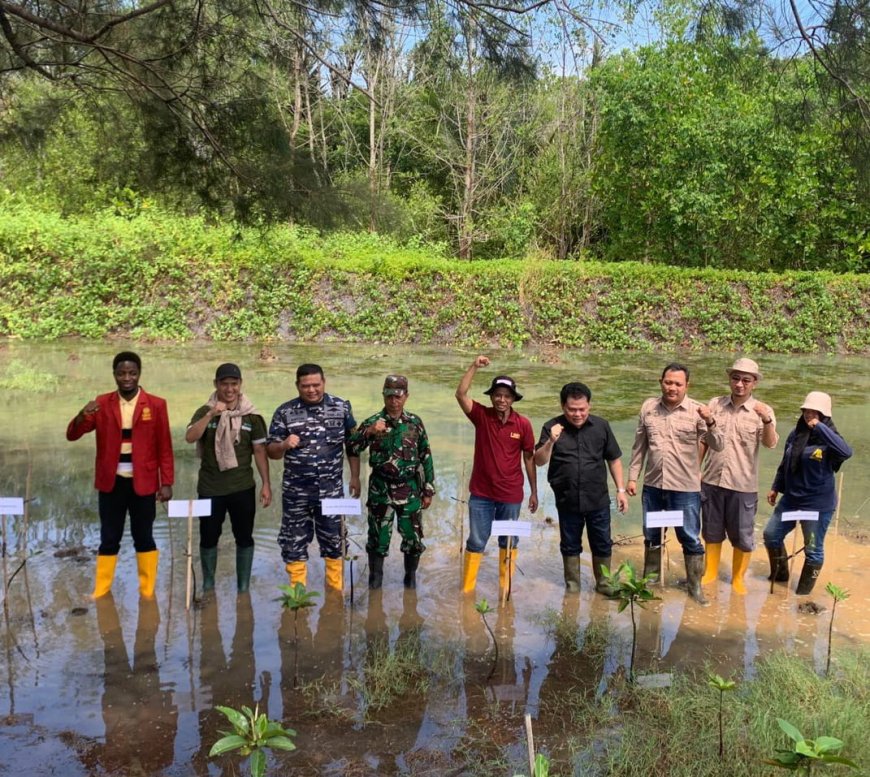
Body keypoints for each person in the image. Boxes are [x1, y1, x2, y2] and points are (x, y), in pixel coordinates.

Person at [66, 351, 174, 599]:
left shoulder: (156, 404)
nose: (127, 378)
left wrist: (166, 482)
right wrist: (83, 414)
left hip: (144, 484)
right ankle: (101, 589)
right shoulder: (102, 403)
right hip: (111, 483)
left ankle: (147, 591)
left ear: (139, 374)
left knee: (144, 537)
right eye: (122, 373)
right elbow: (72, 435)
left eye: (132, 373)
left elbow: (164, 447)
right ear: (114, 375)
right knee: (109, 537)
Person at [627, 362, 723, 604]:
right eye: (668, 382)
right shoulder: (649, 408)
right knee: (651, 534)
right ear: (661, 382)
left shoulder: (698, 411)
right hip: (653, 485)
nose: (672, 388)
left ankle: (694, 587)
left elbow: (718, 444)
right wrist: (632, 477)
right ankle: (651, 581)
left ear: (686, 386)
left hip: (685, 488)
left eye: (678, 384)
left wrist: (710, 421)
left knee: (690, 536)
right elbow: (639, 446)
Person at [267, 363, 360, 591]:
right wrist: (284, 444)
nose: (311, 390)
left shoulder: (341, 407)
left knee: (335, 541)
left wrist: (355, 477)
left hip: (331, 492)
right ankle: (297, 598)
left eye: (316, 385)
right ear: (297, 385)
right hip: (296, 494)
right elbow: (271, 451)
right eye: (305, 386)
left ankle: (335, 596)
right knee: (294, 542)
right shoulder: (285, 412)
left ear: (324, 382)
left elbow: (353, 445)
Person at [185, 363, 272, 594]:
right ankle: (208, 584)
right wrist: (212, 413)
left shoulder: (251, 416)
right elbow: (190, 437)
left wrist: (266, 485)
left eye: (234, 384)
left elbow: (260, 452)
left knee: (244, 537)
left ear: (240, 385)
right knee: (208, 537)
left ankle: (243, 588)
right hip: (210, 488)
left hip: (242, 487)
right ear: (216, 384)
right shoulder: (204, 410)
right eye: (224, 384)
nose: (229, 389)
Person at [534, 382, 628, 595]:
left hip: (598, 499)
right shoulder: (551, 427)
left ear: (589, 406)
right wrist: (551, 441)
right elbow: (538, 460)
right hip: (567, 499)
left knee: (602, 542)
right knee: (570, 544)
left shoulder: (601, 426)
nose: (577, 414)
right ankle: (573, 587)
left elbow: (614, 459)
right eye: (572, 409)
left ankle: (604, 584)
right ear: (562, 406)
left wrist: (620, 490)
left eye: (582, 409)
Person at [455, 355, 538, 593]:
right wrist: (473, 366)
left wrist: (533, 492)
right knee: (476, 541)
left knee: (509, 541)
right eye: (497, 395)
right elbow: (460, 395)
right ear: (491, 397)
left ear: (513, 399)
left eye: (506, 396)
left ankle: (505, 591)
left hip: (510, 495)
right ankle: (467, 592)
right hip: (481, 493)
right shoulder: (482, 416)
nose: (501, 399)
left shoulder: (523, 424)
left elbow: (529, 459)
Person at [348, 375, 436, 590]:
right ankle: (375, 583)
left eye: (398, 396)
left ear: (406, 396)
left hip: (410, 490)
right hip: (381, 491)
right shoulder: (372, 422)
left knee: (413, 540)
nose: (393, 401)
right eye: (389, 396)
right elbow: (352, 448)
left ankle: (410, 581)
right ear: (383, 395)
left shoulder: (414, 423)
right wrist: (369, 433)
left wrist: (428, 490)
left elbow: (426, 456)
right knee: (377, 541)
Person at [699, 357, 778, 595]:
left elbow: (770, 443)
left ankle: (737, 579)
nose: (740, 384)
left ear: (754, 383)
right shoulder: (715, 403)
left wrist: (766, 420)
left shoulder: (762, 410)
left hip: (743, 484)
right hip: (711, 480)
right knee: (711, 531)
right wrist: (695, 470)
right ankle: (710, 572)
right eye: (736, 378)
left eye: (746, 380)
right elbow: (705, 440)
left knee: (743, 535)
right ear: (729, 380)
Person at [762, 391, 852, 595]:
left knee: (812, 549)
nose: (809, 415)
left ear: (825, 415)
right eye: (806, 411)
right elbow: (785, 463)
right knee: (771, 535)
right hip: (791, 500)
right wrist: (776, 487)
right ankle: (781, 574)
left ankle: (802, 594)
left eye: (815, 412)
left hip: (817, 505)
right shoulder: (796, 434)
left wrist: (819, 427)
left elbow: (846, 452)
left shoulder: (830, 438)